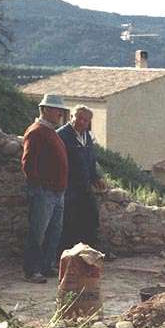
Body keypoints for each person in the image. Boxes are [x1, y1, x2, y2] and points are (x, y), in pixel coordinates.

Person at [21, 94, 69, 284]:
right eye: (57, 110)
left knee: (53, 231)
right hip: (45, 192)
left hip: (56, 191)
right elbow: (28, 164)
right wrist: (41, 186)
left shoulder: (50, 131)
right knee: (38, 232)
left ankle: (46, 265)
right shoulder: (36, 131)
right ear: (46, 110)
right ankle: (32, 270)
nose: (60, 114)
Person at [57, 105, 107, 258]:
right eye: (79, 118)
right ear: (71, 117)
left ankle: (89, 254)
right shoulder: (61, 135)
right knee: (69, 222)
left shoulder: (87, 136)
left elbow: (91, 160)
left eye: (86, 120)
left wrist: (96, 177)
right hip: (68, 187)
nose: (82, 122)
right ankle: (66, 257)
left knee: (91, 218)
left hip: (84, 186)